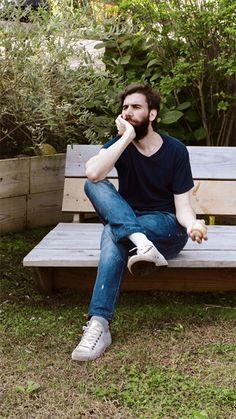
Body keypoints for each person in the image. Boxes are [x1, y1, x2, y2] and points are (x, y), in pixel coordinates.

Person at [71, 83, 208, 362]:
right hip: (135, 230)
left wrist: (193, 224)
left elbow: (182, 206)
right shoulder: (120, 144)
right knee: (93, 185)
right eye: (125, 108)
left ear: (152, 114)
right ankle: (99, 323)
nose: (129, 112)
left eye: (136, 107)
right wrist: (126, 138)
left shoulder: (176, 151)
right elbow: (93, 172)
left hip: (166, 228)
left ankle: (99, 322)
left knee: (114, 231)